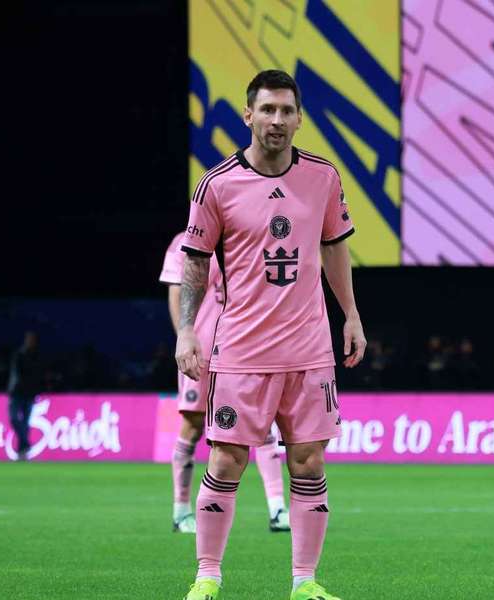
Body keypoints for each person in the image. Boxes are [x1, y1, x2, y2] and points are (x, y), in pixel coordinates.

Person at [175, 70, 365, 600]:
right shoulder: (217, 184)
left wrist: (351, 314)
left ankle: (304, 583)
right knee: (226, 461)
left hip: (309, 349)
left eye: (286, 111)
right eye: (267, 109)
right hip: (241, 351)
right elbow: (195, 261)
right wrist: (187, 330)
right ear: (248, 115)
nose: (277, 120)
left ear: (299, 119)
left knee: (309, 461)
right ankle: (207, 577)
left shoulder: (323, 177)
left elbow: (335, 247)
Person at [160, 232, 291, 535]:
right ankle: (181, 511)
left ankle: (277, 509)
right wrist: (184, 337)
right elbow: (177, 292)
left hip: (245, 347)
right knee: (193, 425)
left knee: (263, 423)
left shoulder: (247, 235)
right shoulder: (184, 242)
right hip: (203, 348)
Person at [7, 331, 43, 461]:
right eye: (29, 339)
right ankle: (26, 444)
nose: (30, 341)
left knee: (25, 422)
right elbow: (15, 374)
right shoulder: (19, 354)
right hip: (16, 393)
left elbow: (38, 375)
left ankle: (22, 453)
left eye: (32, 339)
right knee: (14, 418)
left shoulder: (36, 356)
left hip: (29, 393)